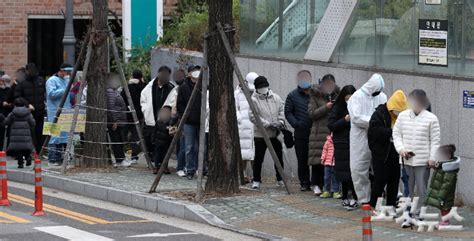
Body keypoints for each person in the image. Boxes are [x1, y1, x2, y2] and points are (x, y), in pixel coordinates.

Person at [393, 89, 440, 210]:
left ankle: (419, 212)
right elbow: (397, 134)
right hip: (406, 159)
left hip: (423, 161)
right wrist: (401, 149)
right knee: (406, 188)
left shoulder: (431, 118)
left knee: (421, 189)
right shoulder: (403, 116)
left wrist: (432, 158)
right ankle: (406, 212)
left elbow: (435, 140)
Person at [347, 73, 387, 204]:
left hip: (377, 137)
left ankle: (380, 197)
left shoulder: (382, 96)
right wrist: (375, 122)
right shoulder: (356, 97)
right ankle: (364, 199)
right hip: (360, 137)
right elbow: (356, 117)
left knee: (381, 167)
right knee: (358, 168)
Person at [368, 90, 408, 208]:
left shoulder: (402, 117)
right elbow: (375, 132)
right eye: (396, 111)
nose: (397, 114)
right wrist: (393, 132)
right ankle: (373, 205)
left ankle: (390, 206)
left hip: (395, 153)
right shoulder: (379, 114)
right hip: (381, 153)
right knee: (379, 182)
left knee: (394, 181)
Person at [249, 76, 285, 189]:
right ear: (256, 88)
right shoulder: (253, 99)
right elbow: (253, 116)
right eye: (261, 87)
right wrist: (268, 124)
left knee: (278, 157)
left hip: (275, 134)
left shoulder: (276, 97)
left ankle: (280, 178)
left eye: (265, 86)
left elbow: (281, 110)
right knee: (259, 158)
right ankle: (256, 180)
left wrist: (280, 121)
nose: (263, 89)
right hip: (260, 135)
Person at [308, 74, 340, 195]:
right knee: (318, 159)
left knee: (331, 160)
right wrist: (326, 107)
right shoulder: (315, 96)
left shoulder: (338, 95)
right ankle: (316, 184)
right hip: (319, 132)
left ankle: (331, 186)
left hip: (333, 132)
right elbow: (312, 114)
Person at [328, 85, 358, 210]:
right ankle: (345, 196)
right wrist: (344, 120)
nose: (349, 101)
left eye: (351, 98)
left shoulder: (358, 106)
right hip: (341, 143)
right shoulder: (338, 107)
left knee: (355, 172)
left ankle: (355, 197)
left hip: (355, 143)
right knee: (343, 172)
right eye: (347, 98)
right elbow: (331, 125)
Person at [140, 66, 175, 172]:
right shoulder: (149, 87)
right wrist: (146, 111)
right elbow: (144, 100)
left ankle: (164, 165)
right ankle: (156, 164)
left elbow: (172, 102)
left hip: (165, 120)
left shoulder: (171, 87)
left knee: (166, 144)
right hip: (152, 119)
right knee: (155, 144)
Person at [284, 70, 313, 191]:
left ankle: (318, 182)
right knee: (302, 159)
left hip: (316, 133)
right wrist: (296, 124)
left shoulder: (316, 93)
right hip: (301, 133)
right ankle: (304, 182)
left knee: (318, 159)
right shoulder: (292, 95)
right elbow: (288, 112)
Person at [177, 70, 203, 179]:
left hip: (202, 121)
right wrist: (186, 116)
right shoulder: (184, 87)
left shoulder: (204, 86)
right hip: (188, 122)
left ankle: (201, 169)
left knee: (201, 147)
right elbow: (180, 104)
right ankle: (190, 169)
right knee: (189, 147)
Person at [45, 63, 73, 166]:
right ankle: (52, 159)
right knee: (54, 135)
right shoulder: (51, 81)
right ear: (61, 71)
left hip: (65, 111)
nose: (68, 74)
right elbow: (51, 94)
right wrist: (66, 89)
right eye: (67, 72)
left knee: (64, 135)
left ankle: (61, 158)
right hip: (54, 111)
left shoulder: (66, 81)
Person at [14, 63, 46, 153]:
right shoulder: (22, 83)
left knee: (39, 133)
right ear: (26, 71)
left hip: (40, 111)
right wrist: (27, 104)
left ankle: (39, 151)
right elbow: (17, 96)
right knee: (29, 133)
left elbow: (44, 94)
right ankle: (29, 152)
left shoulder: (41, 80)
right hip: (28, 113)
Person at [425, 145, 460, 226]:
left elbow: (447, 184)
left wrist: (441, 195)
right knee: (443, 207)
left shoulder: (449, 170)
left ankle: (446, 221)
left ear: (448, 156)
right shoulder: (443, 165)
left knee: (445, 207)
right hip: (441, 191)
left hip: (445, 194)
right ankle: (445, 220)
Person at [163, 67, 188, 177]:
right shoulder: (176, 90)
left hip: (185, 119)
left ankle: (185, 166)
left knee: (186, 145)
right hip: (179, 120)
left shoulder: (182, 88)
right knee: (181, 145)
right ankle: (180, 166)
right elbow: (173, 107)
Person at [235, 72, 258, 183]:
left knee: (253, 153)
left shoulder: (256, 93)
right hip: (242, 126)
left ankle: (254, 175)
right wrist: (239, 119)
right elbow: (235, 108)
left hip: (254, 126)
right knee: (242, 152)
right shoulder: (237, 93)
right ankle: (242, 174)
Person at [3, 98, 36, 168]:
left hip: (15, 135)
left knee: (18, 149)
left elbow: (6, 122)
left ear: (15, 105)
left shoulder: (12, 113)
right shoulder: (28, 113)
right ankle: (28, 157)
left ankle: (20, 163)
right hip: (26, 135)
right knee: (26, 148)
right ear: (24, 104)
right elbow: (33, 123)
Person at [122, 69, 146, 163]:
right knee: (136, 136)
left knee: (123, 134)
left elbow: (122, 99)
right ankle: (134, 156)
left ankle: (123, 155)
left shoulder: (127, 87)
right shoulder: (143, 87)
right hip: (138, 114)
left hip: (127, 114)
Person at [106, 75, 131, 167]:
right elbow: (111, 108)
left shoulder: (113, 92)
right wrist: (114, 121)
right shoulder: (110, 93)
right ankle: (119, 159)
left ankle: (121, 158)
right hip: (115, 122)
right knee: (116, 141)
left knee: (119, 140)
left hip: (119, 121)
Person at [152, 107, 173, 174]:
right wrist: (153, 140)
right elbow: (154, 132)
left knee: (165, 155)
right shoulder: (158, 123)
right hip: (158, 142)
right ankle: (156, 167)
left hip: (166, 143)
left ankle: (164, 167)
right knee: (157, 155)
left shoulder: (170, 124)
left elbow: (171, 135)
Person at [320, 134, 341, 198]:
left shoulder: (339, 140)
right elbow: (324, 150)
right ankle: (327, 191)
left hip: (336, 163)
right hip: (327, 163)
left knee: (336, 178)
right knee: (326, 178)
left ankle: (335, 191)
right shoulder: (328, 141)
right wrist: (322, 158)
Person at [0, 75, 12, 150]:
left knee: (10, 132)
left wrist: (10, 104)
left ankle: (9, 149)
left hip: (9, 113)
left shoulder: (11, 90)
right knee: (1, 132)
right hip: (1, 113)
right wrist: (2, 103)